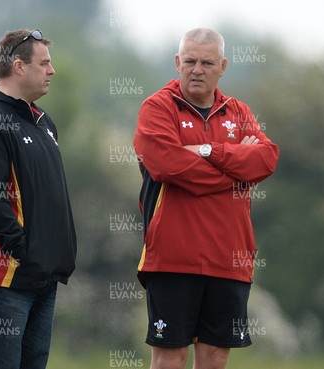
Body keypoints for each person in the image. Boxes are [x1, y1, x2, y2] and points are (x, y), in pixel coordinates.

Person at [133, 28, 279, 369]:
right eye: (190, 61)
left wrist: (207, 150)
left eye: (207, 62)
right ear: (177, 63)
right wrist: (234, 167)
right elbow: (169, 166)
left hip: (230, 257)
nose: (197, 69)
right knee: (170, 357)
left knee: (215, 358)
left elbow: (267, 159)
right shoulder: (157, 108)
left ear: (223, 66)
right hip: (173, 256)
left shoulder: (238, 112)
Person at [0, 29, 77, 369]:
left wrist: (51, 257)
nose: (51, 71)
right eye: (44, 64)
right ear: (18, 67)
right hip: (8, 276)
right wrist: (23, 251)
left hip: (44, 275)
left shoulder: (43, 121)